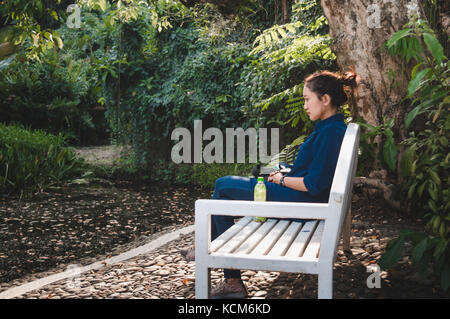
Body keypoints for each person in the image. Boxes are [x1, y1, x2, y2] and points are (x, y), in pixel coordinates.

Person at [180, 69, 359, 298]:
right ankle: (226, 272)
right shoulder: (330, 127)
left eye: (307, 99)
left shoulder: (331, 132)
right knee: (231, 189)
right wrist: (283, 173)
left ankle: (218, 262)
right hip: (304, 200)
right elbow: (315, 173)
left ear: (325, 99)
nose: (304, 105)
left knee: (223, 185)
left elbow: (313, 185)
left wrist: (283, 180)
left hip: (305, 204)